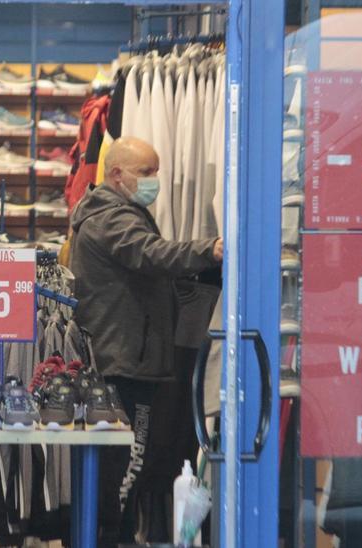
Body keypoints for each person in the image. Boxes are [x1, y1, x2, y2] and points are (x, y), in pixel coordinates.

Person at [68, 137, 222, 543]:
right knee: (128, 461)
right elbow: (152, 254)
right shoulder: (113, 219)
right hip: (125, 362)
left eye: (156, 170)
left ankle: (106, 533)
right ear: (117, 175)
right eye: (146, 172)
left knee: (118, 462)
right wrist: (212, 249)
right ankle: (110, 536)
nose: (155, 180)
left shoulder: (107, 211)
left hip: (120, 355)